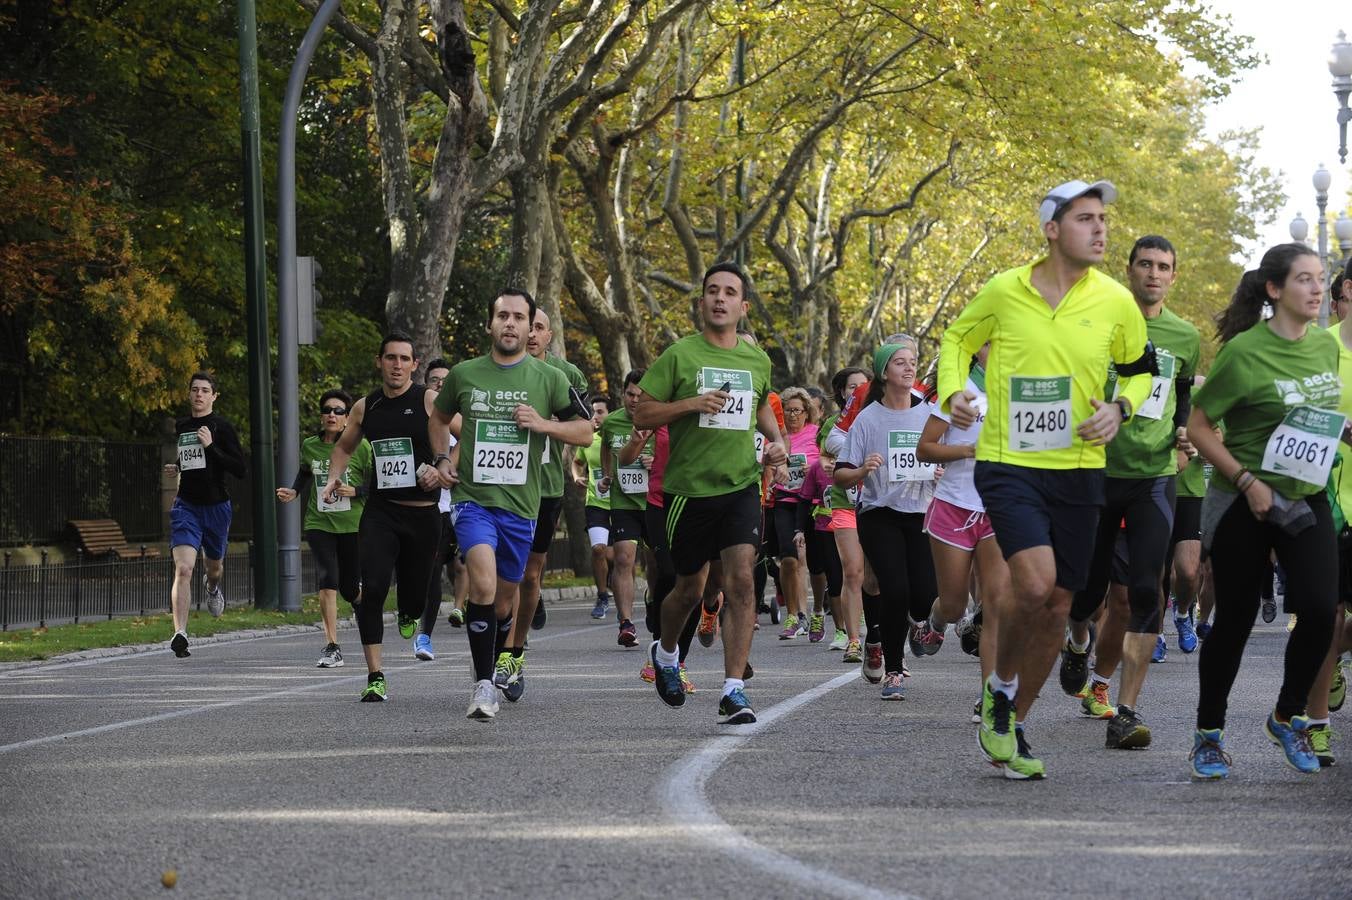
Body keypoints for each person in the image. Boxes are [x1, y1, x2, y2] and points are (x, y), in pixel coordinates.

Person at [938, 179, 1154, 779]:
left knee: (1060, 606)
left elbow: (1141, 373)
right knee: (1035, 585)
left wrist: (1121, 408)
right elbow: (957, 337)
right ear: (1052, 230)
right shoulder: (1004, 291)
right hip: (1011, 463)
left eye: (1103, 218)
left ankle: (1015, 722)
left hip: (1081, 468)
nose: (1101, 228)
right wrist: (956, 389)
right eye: (1086, 218)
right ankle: (1000, 690)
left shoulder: (1115, 301)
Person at [1186, 243, 1343, 779]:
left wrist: (1341, 430)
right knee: (1235, 619)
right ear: (1275, 290)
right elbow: (1200, 427)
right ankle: (1209, 735)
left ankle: (1287, 715)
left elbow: (1312, 414)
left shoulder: (1324, 348)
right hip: (1244, 498)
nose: (1317, 289)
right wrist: (1246, 480)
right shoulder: (1245, 353)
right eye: (1304, 279)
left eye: (1320, 279)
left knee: (1322, 610)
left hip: (1305, 495)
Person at [1060, 235, 1200, 750]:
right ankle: (1077, 643)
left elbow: (1181, 393)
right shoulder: (1099, 318)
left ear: (1173, 276)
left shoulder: (1184, 335)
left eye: (1164, 266)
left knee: (1146, 590)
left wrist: (1184, 435)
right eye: (1145, 264)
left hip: (1155, 475)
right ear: (1129, 269)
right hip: (1096, 470)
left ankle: (1127, 709)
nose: (1154, 274)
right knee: (1088, 590)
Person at [634, 261, 788, 725]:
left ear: (743, 307)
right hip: (687, 493)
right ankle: (664, 653)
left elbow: (760, 406)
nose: (720, 299)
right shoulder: (679, 355)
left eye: (730, 293)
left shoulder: (756, 359)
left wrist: (776, 440)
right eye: (712, 291)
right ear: (701, 302)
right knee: (688, 588)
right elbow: (642, 415)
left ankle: (734, 690)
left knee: (741, 582)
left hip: (740, 485)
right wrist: (690, 404)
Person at [429, 289, 594, 720]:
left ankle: (493, 647)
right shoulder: (465, 375)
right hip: (474, 502)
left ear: (530, 327)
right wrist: (443, 458)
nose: (510, 323)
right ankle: (484, 685)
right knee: (480, 584)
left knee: (504, 601)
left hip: (523, 506)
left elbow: (585, 432)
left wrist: (541, 423)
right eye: (502, 315)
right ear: (490, 323)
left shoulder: (550, 378)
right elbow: (438, 418)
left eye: (519, 317)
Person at [322, 334, 443, 702]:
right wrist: (333, 477)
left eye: (404, 358)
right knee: (370, 589)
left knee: (414, 597)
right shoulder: (365, 406)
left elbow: (464, 436)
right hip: (381, 513)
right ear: (380, 362)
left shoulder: (428, 400)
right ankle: (375, 675)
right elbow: (344, 446)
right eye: (390, 357)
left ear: (414, 365)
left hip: (423, 516)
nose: (396, 364)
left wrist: (442, 467)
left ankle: (410, 612)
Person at [834, 341, 938, 700]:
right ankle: (894, 670)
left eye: (913, 363)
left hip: (922, 513)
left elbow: (945, 455)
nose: (909, 369)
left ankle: (914, 623)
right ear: (883, 372)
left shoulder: (929, 413)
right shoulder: (868, 418)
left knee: (925, 593)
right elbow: (841, 474)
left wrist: (941, 470)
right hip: (880, 514)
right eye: (899, 363)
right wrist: (863, 469)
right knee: (896, 589)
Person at [506, 308, 589, 645]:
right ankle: (507, 641)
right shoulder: (498, 370)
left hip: (546, 484)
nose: (532, 334)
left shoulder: (565, 373)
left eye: (540, 327)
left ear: (549, 335)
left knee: (529, 572)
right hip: (504, 485)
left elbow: (584, 428)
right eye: (530, 326)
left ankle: (522, 624)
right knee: (505, 571)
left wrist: (546, 422)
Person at [275, 389, 372, 668]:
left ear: (347, 418)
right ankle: (332, 646)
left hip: (353, 525)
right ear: (321, 416)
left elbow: (378, 484)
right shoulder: (310, 445)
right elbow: (306, 471)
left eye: (339, 411)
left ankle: (361, 604)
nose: (332, 414)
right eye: (328, 410)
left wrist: (356, 491)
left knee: (350, 587)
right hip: (319, 522)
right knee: (327, 578)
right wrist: (294, 492)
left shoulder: (361, 446)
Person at [164, 371, 246, 658]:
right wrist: (177, 467)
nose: (199, 394)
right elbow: (190, 458)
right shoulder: (183, 425)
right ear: (189, 394)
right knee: (183, 568)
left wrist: (212, 446)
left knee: (214, 568)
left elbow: (240, 468)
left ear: (214, 396)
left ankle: (212, 588)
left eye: (205, 390)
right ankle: (180, 633)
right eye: (195, 389)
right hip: (186, 506)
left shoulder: (222, 427)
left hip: (216, 508)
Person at [600, 371, 654, 649]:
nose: (634, 400)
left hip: (655, 502)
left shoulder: (659, 419)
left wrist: (655, 462)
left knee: (655, 563)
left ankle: (653, 601)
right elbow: (606, 449)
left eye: (640, 395)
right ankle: (626, 623)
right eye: (630, 394)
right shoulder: (612, 422)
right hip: (623, 501)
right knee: (624, 558)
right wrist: (607, 475)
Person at [823, 366, 871, 663]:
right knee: (852, 570)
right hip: (845, 502)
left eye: (863, 386)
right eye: (852, 387)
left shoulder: (886, 414)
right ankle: (853, 639)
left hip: (879, 504)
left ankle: (878, 631)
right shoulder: (833, 423)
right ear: (842, 392)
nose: (858, 391)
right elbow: (827, 456)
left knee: (874, 576)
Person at [414, 359, 459, 661]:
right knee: (418, 573)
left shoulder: (459, 419)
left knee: (435, 575)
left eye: (446, 379)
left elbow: (470, 441)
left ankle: (424, 635)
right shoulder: (416, 416)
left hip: (450, 509)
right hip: (411, 506)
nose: (440, 384)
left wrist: (447, 465)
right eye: (434, 380)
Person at [772, 387, 820, 640]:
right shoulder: (776, 436)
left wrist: (809, 467)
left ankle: (812, 613)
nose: (792, 416)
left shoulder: (816, 434)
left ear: (807, 412)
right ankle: (794, 614)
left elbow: (827, 461)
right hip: (783, 500)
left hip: (810, 503)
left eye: (797, 411)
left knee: (808, 560)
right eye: (787, 410)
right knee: (789, 558)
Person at [573, 396, 614, 619]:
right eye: (592, 412)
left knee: (616, 556)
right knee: (599, 549)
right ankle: (602, 595)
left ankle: (614, 582)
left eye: (599, 412)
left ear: (610, 414)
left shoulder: (620, 437)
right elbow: (577, 462)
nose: (595, 417)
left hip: (621, 504)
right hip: (596, 503)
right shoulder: (588, 440)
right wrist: (576, 477)